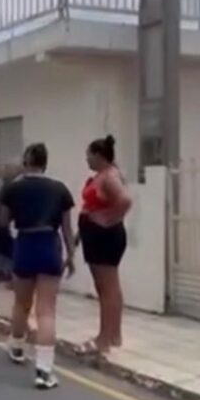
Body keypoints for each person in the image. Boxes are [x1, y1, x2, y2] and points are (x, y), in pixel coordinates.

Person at [0, 143, 76, 390]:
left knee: (21, 304)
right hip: (49, 245)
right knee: (46, 311)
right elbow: (67, 228)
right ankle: (44, 371)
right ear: (45, 162)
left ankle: (17, 346)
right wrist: (71, 255)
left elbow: (3, 221)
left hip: (25, 244)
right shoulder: (60, 189)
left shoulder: (13, 188)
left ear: (26, 162)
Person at [76, 135, 132, 355]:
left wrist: (108, 219)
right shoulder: (104, 175)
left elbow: (125, 200)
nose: (87, 160)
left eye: (89, 155)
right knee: (108, 288)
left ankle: (104, 338)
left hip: (104, 237)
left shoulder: (109, 176)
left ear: (99, 155)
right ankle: (114, 335)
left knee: (107, 289)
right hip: (96, 236)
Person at [0, 163, 24, 285]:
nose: (4, 172)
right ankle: (4, 271)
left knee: (11, 248)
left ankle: (11, 274)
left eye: (7, 170)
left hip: (10, 221)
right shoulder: (5, 185)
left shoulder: (16, 186)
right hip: (1, 220)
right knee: (3, 246)